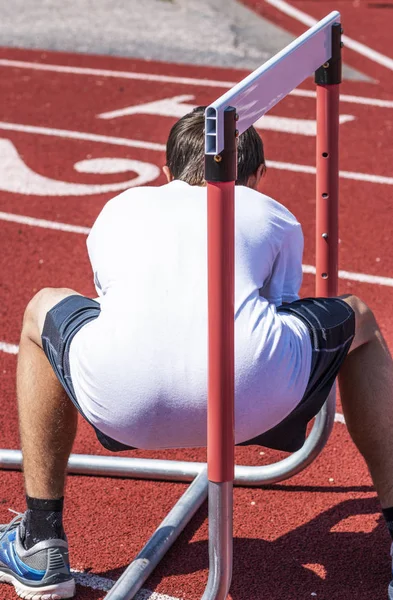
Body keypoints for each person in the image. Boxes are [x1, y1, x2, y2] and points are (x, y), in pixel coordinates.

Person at [0, 106, 392, 600]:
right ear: (256, 177)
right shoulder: (272, 214)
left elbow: (112, 304)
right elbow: (280, 308)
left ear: (165, 173)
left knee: (42, 312)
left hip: (120, 403)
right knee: (360, 320)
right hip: (257, 404)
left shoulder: (120, 208)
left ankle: (41, 539)